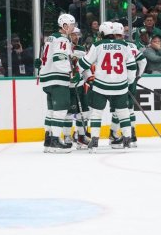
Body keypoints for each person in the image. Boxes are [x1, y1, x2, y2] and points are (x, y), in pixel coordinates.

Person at [77, 21, 137, 152]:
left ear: (102, 33)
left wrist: (78, 70)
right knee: (123, 112)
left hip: (101, 86)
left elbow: (84, 63)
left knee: (96, 113)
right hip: (120, 86)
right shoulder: (124, 45)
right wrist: (128, 81)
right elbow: (132, 66)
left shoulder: (97, 45)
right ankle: (127, 140)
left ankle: (94, 141)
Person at [34, 13, 75, 153]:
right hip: (57, 78)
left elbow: (44, 58)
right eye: (71, 25)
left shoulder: (50, 38)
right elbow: (59, 58)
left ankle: (48, 139)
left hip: (47, 78)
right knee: (61, 110)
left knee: (51, 111)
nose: (73, 27)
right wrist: (70, 73)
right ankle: (56, 141)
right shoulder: (62, 39)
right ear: (64, 26)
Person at [109, 22, 146, 148]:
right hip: (128, 81)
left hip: (116, 81)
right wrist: (137, 77)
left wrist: (136, 77)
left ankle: (116, 133)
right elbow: (142, 61)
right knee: (127, 109)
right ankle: (130, 134)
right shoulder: (130, 45)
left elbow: (143, 60)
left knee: (120, 109)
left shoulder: (109, 46)